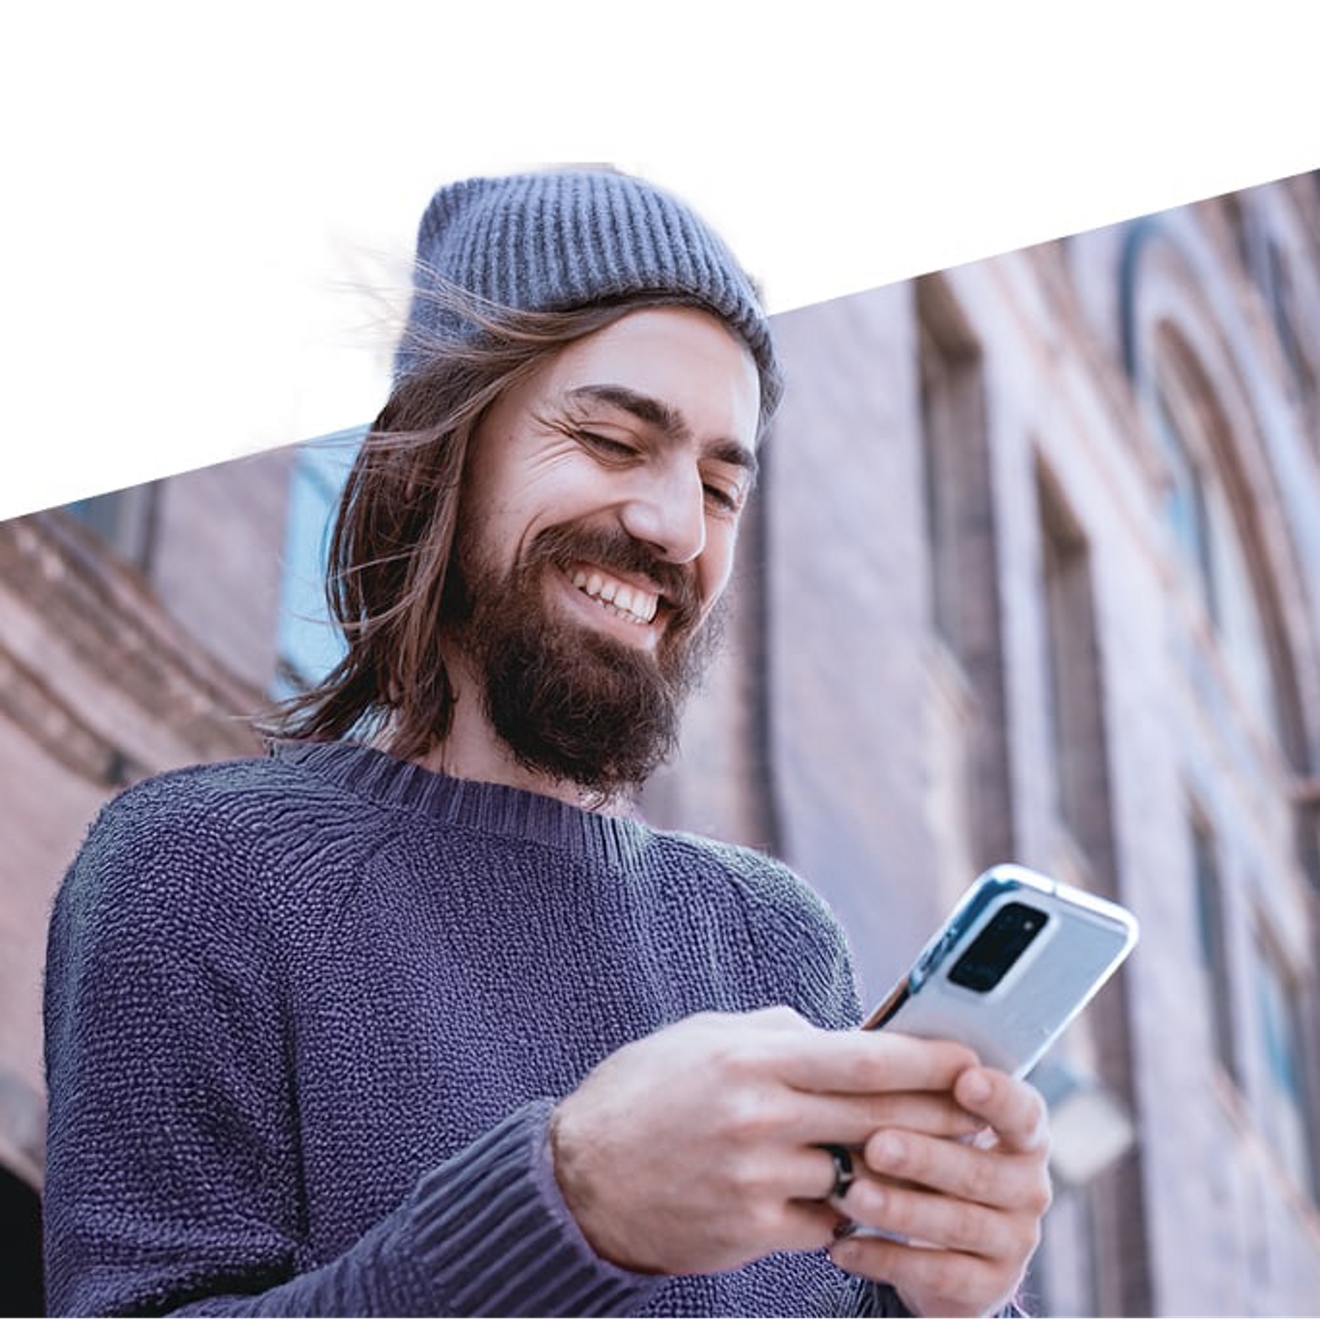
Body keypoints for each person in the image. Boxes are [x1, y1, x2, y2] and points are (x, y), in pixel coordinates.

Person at [42, 169, 1051, 1317]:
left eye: (721, 487)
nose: (674, 525)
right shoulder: (201, 865)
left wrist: (957, 1292)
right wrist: (569, 1207)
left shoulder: (776, 942)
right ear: (440, 453)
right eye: (614, 440)